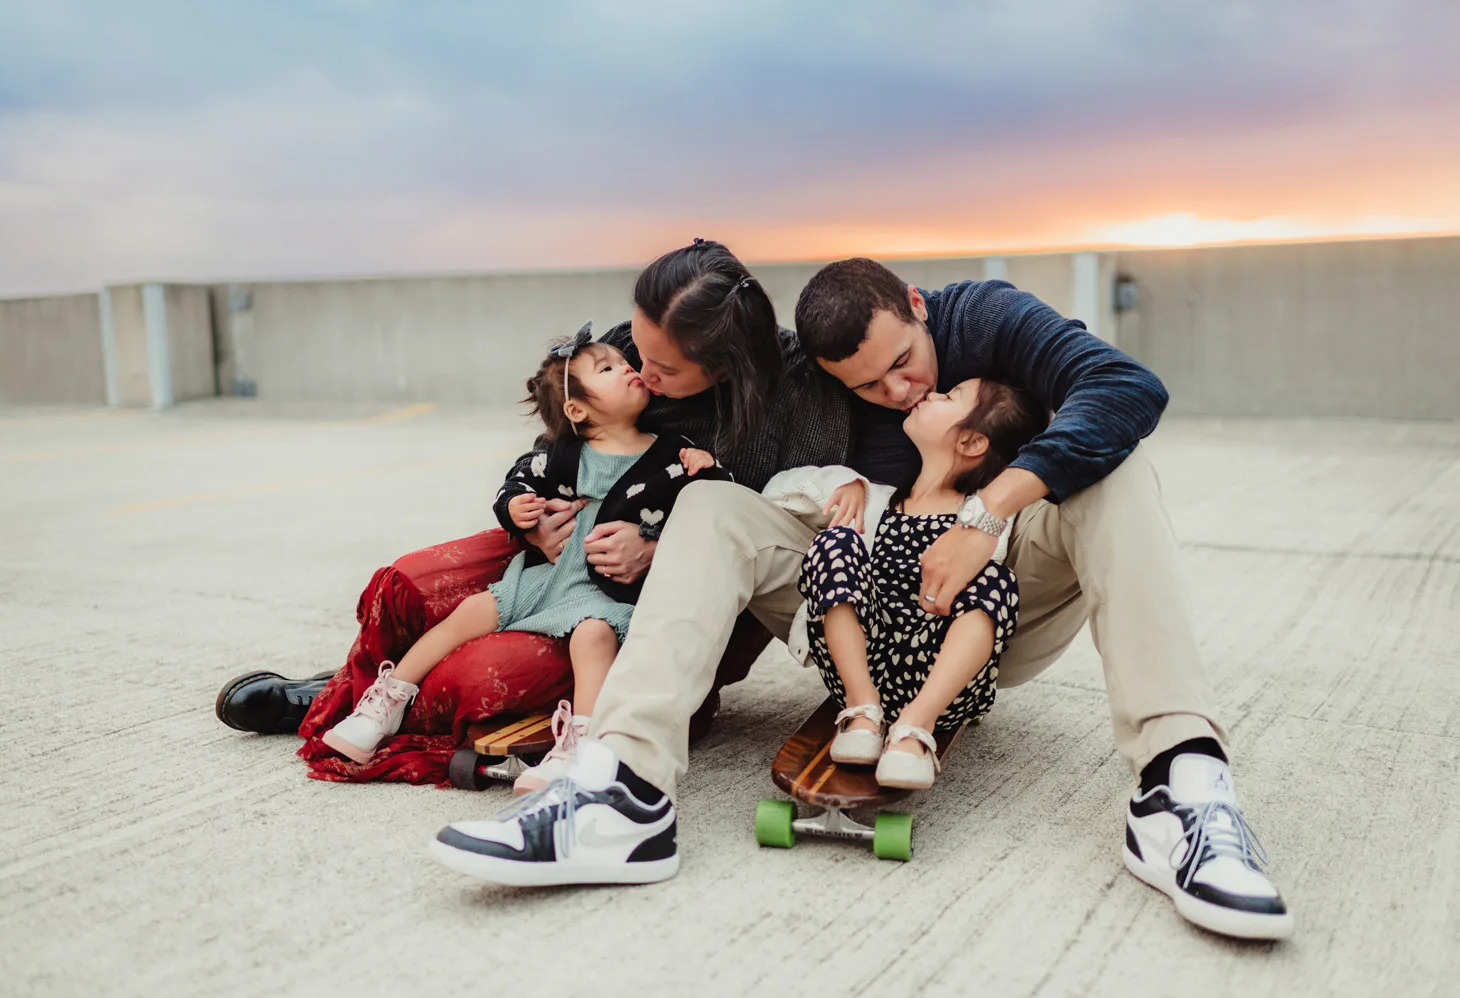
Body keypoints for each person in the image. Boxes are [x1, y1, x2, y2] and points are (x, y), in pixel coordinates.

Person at [429, 257, 1294, 942]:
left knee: (1117, 468)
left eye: (907, 368)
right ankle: (623, 793)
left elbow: (1128, 388)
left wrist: (988, 513)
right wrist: (548, 522)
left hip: (1002, 604)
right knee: (711, 503)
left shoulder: (982, 317)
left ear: (919, 308)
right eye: (867, 386)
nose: (899, 393)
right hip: (849, 606)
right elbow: (621, 406)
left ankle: (1180, 785)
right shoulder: (772, 381)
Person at [214, 238, 852, 744]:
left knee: (492, 672)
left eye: (664, 369)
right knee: (419, 581)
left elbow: (780, 532)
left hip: (668, 602)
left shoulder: (798, 393)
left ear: (725, 367)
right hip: (566, 546)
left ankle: (366, 700)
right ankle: (351, 689)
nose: (639, 371)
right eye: (635, 347)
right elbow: (562, 443)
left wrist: (661, 550)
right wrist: (533, 521)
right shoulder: (635, 348)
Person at [320, 326, 726, 786]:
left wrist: (708, 470)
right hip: (547, 576)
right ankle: (386, 703)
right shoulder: (562, 455)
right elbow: (516, 483)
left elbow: (709, 514)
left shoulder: (672, 454)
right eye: (609, 368)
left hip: (608, 588)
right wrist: (515, 509)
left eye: (624, 363)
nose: (629, 369)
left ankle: (582, 744)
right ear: (577, 409)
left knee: (593, 639)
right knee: (471, 610)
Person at [780, 378, 1046, 788]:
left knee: (995, 579)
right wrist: (841, 481)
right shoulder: (874, 499)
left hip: (940, 675)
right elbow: (774, 492)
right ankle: (862, 707)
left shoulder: (986, 521)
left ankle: (914, 727)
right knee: (835, 541)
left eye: (950, 397)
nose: (933, 395)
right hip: (861, 660)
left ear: (972, 443)